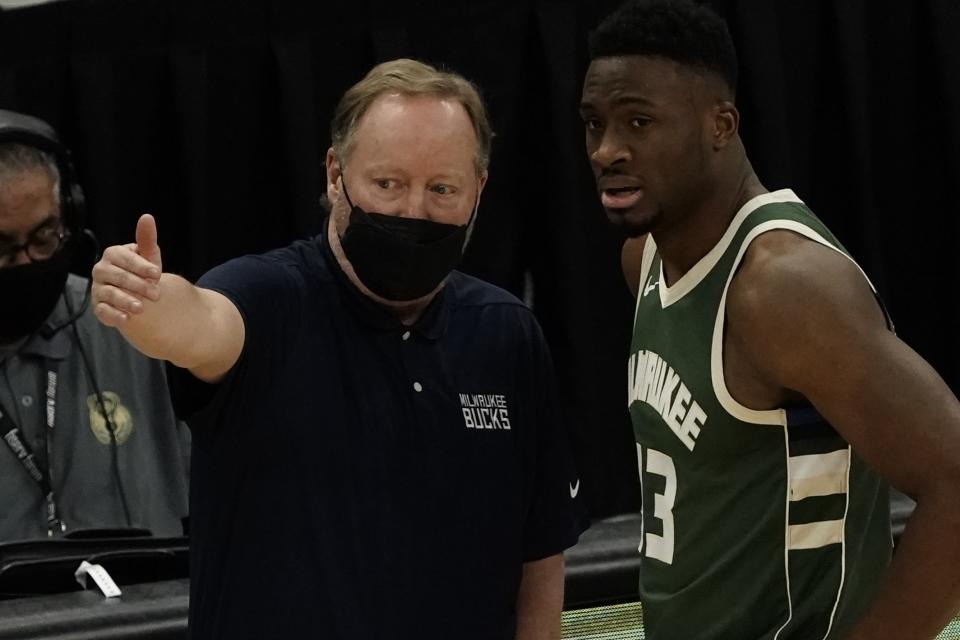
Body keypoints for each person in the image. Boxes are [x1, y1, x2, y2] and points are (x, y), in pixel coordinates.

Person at [91, 58, 587, 639]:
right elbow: (200, 322)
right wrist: (147, 305)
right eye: (388, 184)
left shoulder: (506, 333)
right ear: (334, 174)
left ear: (479, 190)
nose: (413, 212)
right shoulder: (270, 297)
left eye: (442, 189)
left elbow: (541, 550)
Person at [579, 1, 960, 638]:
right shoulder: (642, 258)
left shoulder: (782, 285)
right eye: (594, 124)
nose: (607, 150)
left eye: (639, 121)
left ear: (720, 125)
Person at [0, 110, 189, 541]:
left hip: (147, 604)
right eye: (2, 246)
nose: (26, 262)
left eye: (44, 237)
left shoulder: (124, 322)